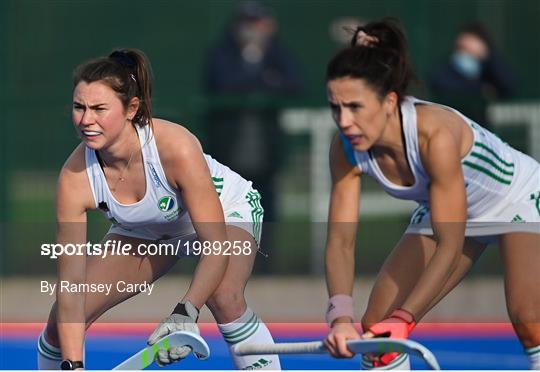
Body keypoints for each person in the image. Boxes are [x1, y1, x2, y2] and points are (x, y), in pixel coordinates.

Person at [36, 49, 280, 370]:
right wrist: (74, 364)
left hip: (226, 211)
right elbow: (71, 288)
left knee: (223, 295)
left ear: (130, 108)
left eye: (99, 109)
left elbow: (217, 246)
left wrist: (185, 312)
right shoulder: (74, 177)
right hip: (149, 230)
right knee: (63, 319)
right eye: (79, 107)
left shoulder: (174, 147)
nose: (86, 120)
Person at [322, 19, 539, 370]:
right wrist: (339, 318)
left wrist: (405, 318)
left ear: (389, 101)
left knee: (530, 321)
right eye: (336, 107)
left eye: (355, 107)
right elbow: (340, 241)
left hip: (515, 198)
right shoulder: (345, 148)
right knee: (374, 332)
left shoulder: (433, 135)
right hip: (447, 207)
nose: (344, 121)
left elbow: (449, 245)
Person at [204, 0, 304, 226]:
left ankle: (266, 260)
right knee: (227, 215)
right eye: (246, 23)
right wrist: (264, 78)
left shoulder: (276, 52)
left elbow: (295, 83)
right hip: (229, 154)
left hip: (266, 154)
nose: (251, 29)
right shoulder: (222, 52)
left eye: (257, 22)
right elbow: (224, 83)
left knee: (266, 213)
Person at [429, 22, 516, 128]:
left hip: (479, 129)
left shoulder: (486, 68)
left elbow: (508, 85)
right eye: (463, 48)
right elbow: (440, 84)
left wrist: (487, 55)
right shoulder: (446, 68)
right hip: (449, 126)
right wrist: (481, 90)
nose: (466, 54)